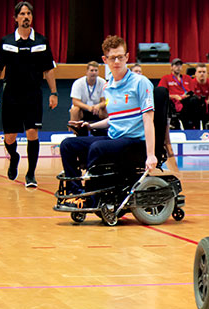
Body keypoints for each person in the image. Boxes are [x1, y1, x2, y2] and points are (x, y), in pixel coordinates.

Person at [58, 35, 157, 208]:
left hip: (135, 142)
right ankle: (75, 193)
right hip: (115, 138)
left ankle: (90, 196)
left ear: (127, 57)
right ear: (105, 60)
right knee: (67, 144)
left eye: (121, 57)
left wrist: (151, 155)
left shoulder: (141, 83)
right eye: (113, 58)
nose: (117, 61)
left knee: (98, 147)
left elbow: (148, 120)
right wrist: (90, 125)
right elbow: (115, 119)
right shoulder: (108, 85)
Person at [0, 1, 58, 188]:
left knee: (32, 133)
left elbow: (49, 70)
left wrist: (53, 92)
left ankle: (31, 174)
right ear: (15, 18)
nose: (26, 17)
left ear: (32, 17)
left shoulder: (42, 41)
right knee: (10, 137)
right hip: (11, 95)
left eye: (28, 13)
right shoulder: (6, 42)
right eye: (22, 14)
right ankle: (14, 157)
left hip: (33, 95)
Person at [69, 61, 107, 136]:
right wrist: (88, 107)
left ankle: (105, 131)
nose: (94, 73)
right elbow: (75, 101)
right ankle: (74, 132)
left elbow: (104, 101)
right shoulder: (78, 83)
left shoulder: (102, 82)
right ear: (87, 72)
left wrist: (98, 106)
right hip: (83, 110)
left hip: (97, 110)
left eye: (96, 70)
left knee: (106, 108)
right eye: (91, 70)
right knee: (74, 109)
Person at [157, 58, 196, 129]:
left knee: (195, 100)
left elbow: (192, 92)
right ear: (171, 67)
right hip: (173, 102)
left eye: (180, 65)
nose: (178, 67)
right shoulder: (166, 78)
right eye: (176, 65)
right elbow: (161, 94)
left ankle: (195, 125)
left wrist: (185, 96)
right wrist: (174, 96)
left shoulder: (187, 78)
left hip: (186, 100)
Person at [191, 63, 209, 128]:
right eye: (200, 72)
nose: (202, 74)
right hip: (194, 107)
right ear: (196, 74)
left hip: (206, 105)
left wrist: (204, 103)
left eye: (204, 72)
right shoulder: (192, 83)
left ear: (207, 74)